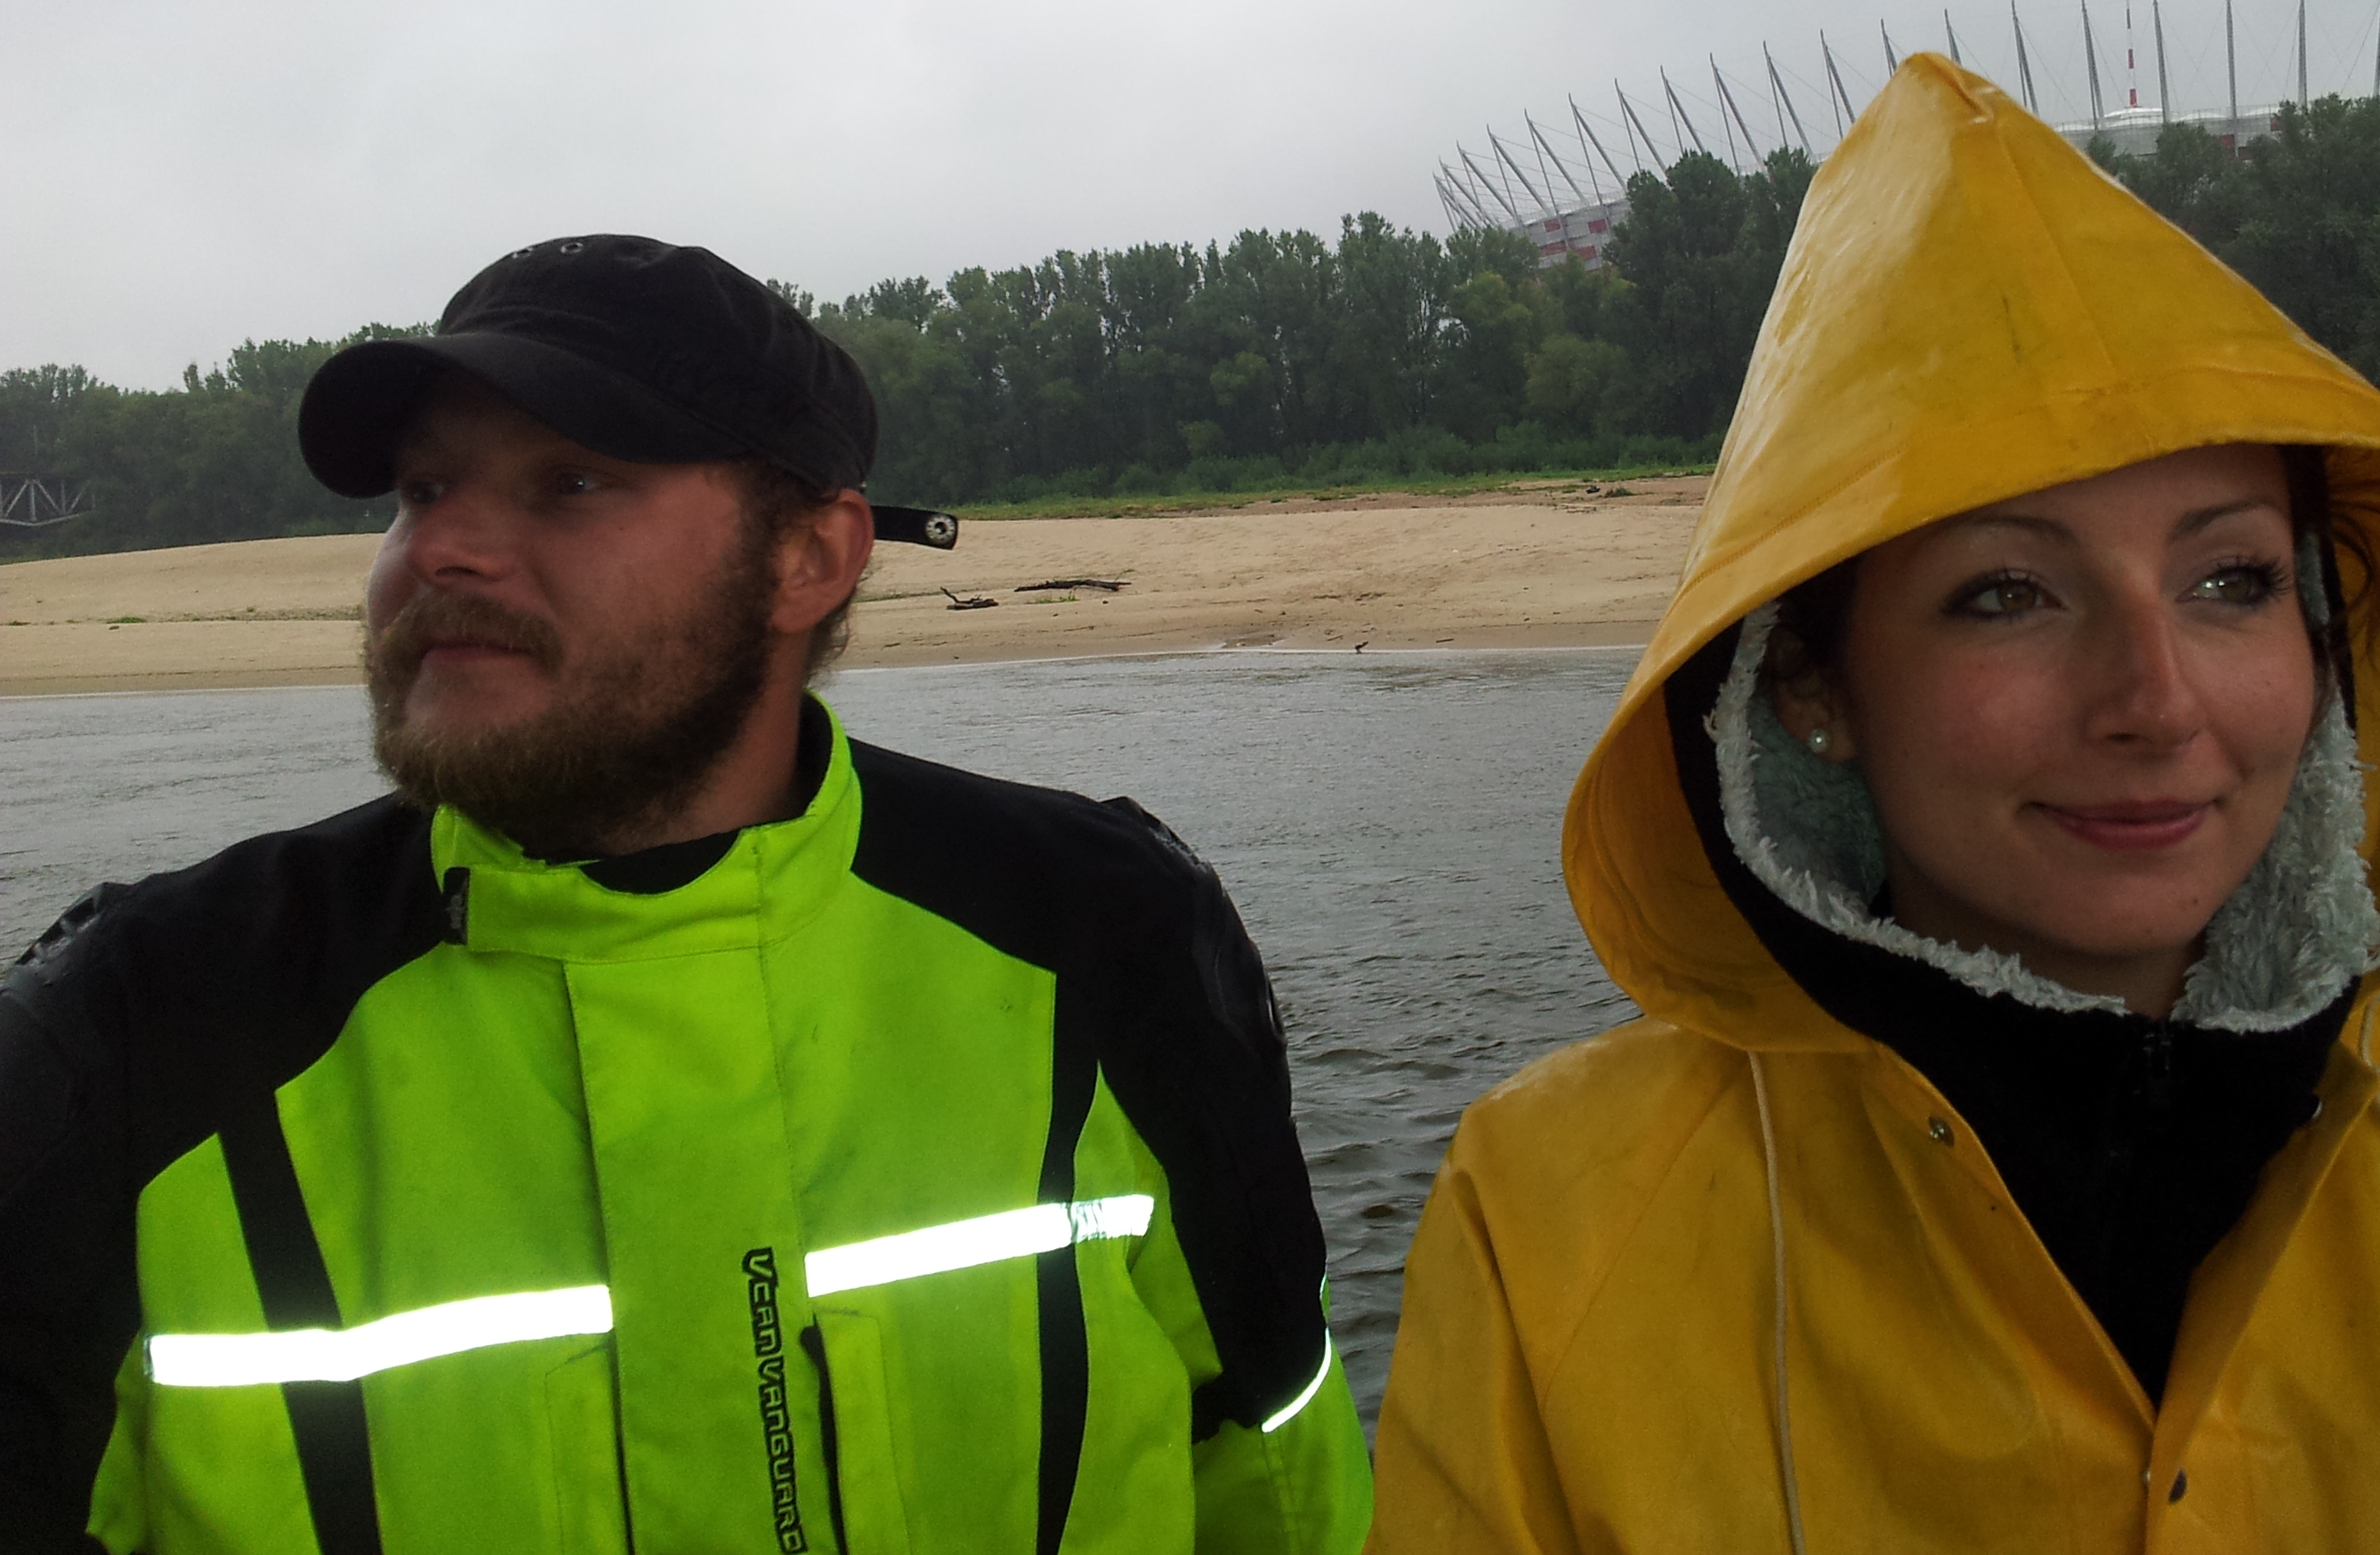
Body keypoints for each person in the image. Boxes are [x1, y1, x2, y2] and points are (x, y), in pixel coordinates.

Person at [1369, 60, 2380, 1551]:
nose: (2157, 700)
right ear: (1809, 684)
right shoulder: (1551, 1226)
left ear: (2321, 635)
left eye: (2229, 580)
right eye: (2009, 593)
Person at [0, 235, 1373, 1555]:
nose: (442, 549)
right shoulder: (139, 1030)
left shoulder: (1105, 938)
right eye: (422, 490)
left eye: (569, 484)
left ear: (810, 559)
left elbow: (1279, 1480)